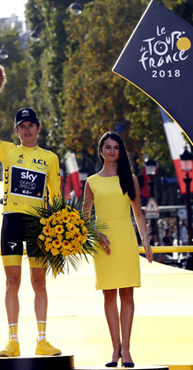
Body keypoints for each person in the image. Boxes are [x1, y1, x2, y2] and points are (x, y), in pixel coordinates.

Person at [0, 106, 62, 357]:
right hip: (11, 222)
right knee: (12, 281)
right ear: (16, 130)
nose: (27, 130)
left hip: (38, 225)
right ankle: (13, 340)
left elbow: (57, 196)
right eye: (22, 126)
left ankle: (42, 340)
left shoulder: (50, 158)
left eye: (31, 125)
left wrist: (61, 227)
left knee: (38, 281)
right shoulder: (8, 150)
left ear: (38, 128)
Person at [83, 132, 153, 368]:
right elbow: (84, 218)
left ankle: (128, 349)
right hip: (102, 243)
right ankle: (115, 350)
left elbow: (138, 214)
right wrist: (96, 234)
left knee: (127, 294)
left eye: (116, 147)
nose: (112, 151)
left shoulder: (129, 178)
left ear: (120, 151)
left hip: (124, 239)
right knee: (109, 294)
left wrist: (145, 240)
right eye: (108, 146)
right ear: (101, 150)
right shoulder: (91, 182)